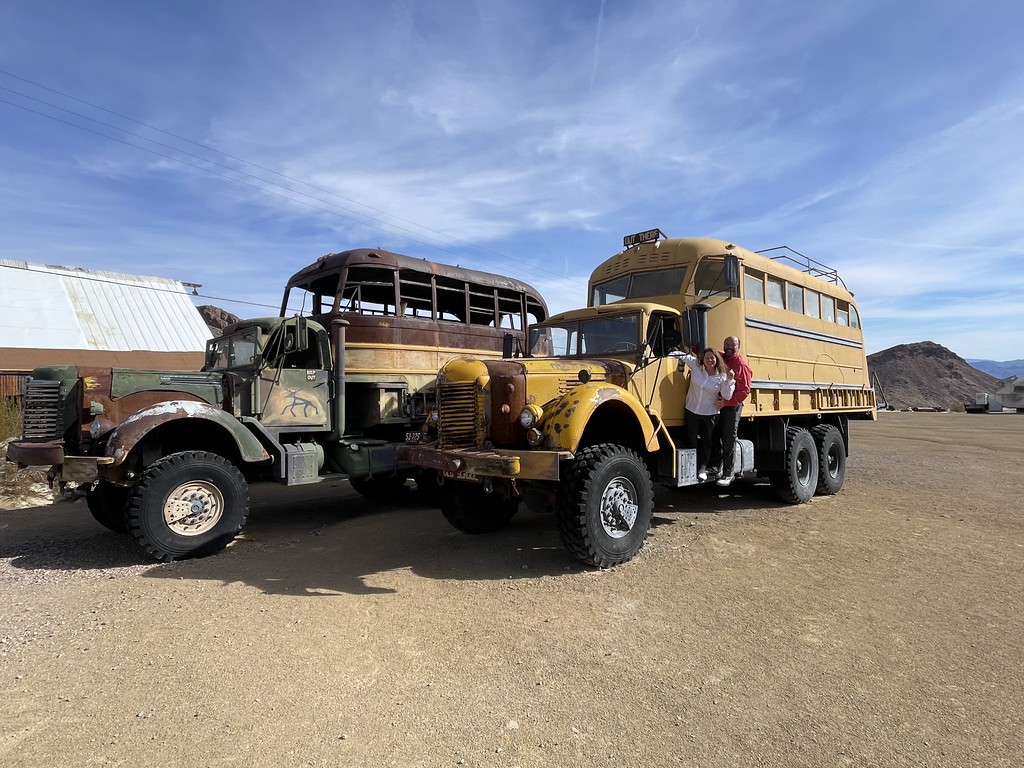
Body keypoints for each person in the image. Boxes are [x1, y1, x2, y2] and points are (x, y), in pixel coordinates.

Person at [678, 347, 735, 482]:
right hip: (692, 410)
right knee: (691, 438)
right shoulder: (696, 366)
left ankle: (703, 469)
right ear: (702, 359)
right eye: (707, 358)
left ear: (717, 359)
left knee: (706, 440)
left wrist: (730, 380)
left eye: (712, 358)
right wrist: (669, 353)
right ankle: (691, 468)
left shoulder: (722, 376)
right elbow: (681, 355)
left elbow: (727, 395)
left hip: (710, 413)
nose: (710, 360)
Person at [712, 335, 753, 487]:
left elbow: (744, 391)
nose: (729, 347)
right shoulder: (721, 357)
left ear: (738, 347)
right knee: (714, 435)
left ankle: (728, 473)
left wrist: (726, 402)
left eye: (732, 345)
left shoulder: (741, 365)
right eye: (727, 344)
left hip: (732, 407)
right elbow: (706, 352)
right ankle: (716, 468)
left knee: (728, 438)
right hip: (718, 404)